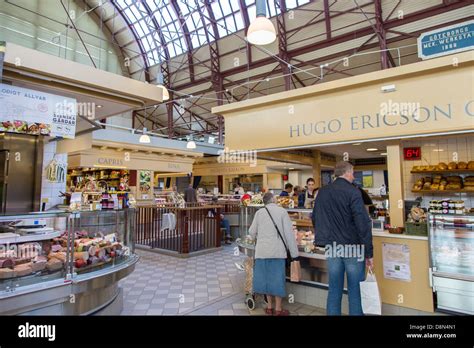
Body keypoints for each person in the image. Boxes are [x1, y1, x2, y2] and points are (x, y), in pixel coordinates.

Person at [312, 161, 373, 316]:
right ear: (346, 173)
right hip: (353, 248)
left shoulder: (323, 192)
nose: (353, 176)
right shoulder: (353, 192)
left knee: (334, 288)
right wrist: (368, 253)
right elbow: (362, 224)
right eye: (353, 173)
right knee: (355, 291)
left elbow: (315, 218)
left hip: (333, 247)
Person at [248, 192, 299, 316]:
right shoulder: (282, 212)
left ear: (264, 202)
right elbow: (289, 234)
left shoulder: (259, 213)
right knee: (277, 280)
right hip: (277, 252)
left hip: (262, 252)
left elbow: (251, 231)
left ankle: (269, 307)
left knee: (266, 280)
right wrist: (294, 253)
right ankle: (278, 309)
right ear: (273, 200)